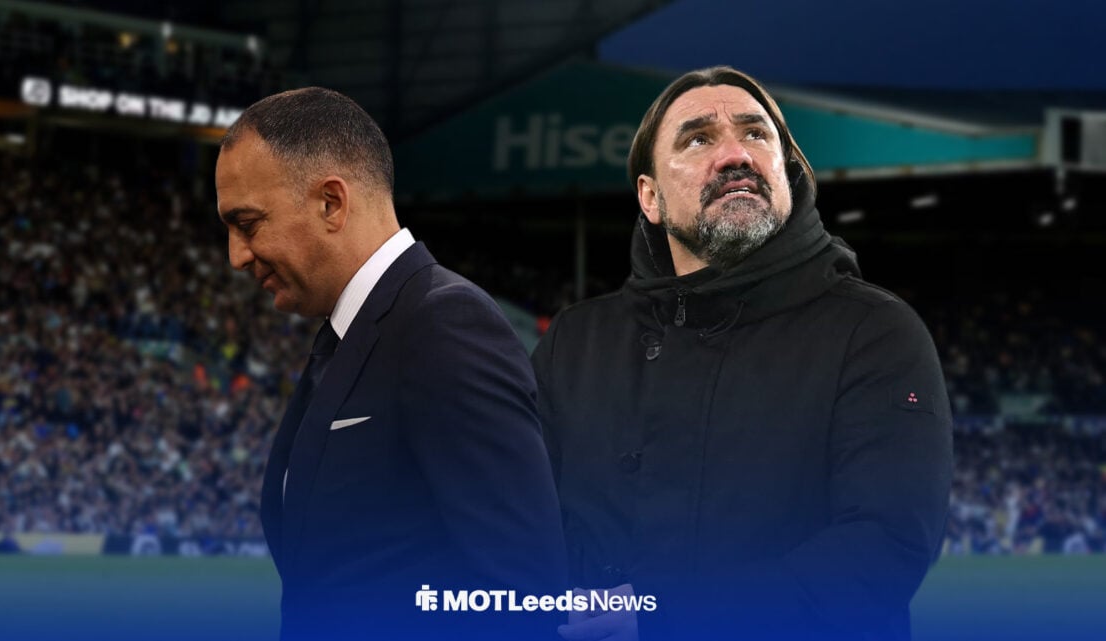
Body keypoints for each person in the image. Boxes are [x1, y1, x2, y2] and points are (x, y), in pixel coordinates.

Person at [531, 67, 953, 641]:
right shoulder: (576, 343)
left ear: (788, 173)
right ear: (650, 198)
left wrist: (664, 616)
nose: (736, 155)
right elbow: (523, 526)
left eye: (756, 135)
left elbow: (884, 548)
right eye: (698, 138)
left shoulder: (874, 331)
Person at [215, 87, 567, 640]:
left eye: (248, 223)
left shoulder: (442, 323)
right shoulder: (347, 334)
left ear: (331, 203)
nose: (235, 255)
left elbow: (521, 589)